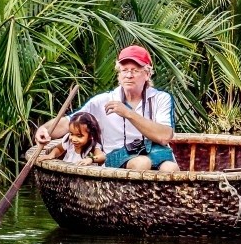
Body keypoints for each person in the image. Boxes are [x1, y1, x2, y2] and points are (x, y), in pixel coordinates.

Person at [34, 45, 179, 172]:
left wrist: (129, 114)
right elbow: (68, 122)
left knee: (170, 168)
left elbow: (164, 136)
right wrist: (45, 130)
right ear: (119, 74)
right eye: (124, 70)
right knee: (142, 162)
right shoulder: (102, 100)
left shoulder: (161, 98)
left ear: (147, 74)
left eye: (135, 70)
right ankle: (132, 202)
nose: (128, 75)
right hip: (117, 155)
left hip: (154, 150)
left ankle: (160, 202)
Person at [37, 111, 106, 166]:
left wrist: (91, 159)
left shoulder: (92, 146)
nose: (74, 139)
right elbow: (59, 148)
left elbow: (102, 156)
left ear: (91, 136)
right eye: (71, 134)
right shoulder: (69, 140)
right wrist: (51, 155)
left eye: (79, 136)